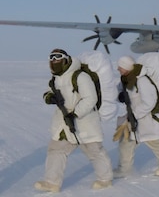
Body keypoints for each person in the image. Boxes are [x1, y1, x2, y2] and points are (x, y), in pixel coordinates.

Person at [34, 49, 113, 192]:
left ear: (65, 59)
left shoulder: (80, 77)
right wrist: (50, 98)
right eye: (52, 59)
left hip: (85, 121)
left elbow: (91, 99)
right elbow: (48, 91)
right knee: (56, 150)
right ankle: (52, 182)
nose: (54, 62)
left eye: (57, 58)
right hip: (63, 122)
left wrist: (75, 113)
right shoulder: (55, 78)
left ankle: (105, 179)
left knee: (95, 151)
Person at [112, 56, 159, 178]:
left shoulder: (142, 81)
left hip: (147, 119)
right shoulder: (125, 80)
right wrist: (120, 96)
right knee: (126, 142)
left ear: (127, 67)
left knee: (157, 143)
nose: (118, 68)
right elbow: (118, 92)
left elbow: (150, 102)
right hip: (131, 118)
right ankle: (124, 169)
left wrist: (135, 114)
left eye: (121, 66)